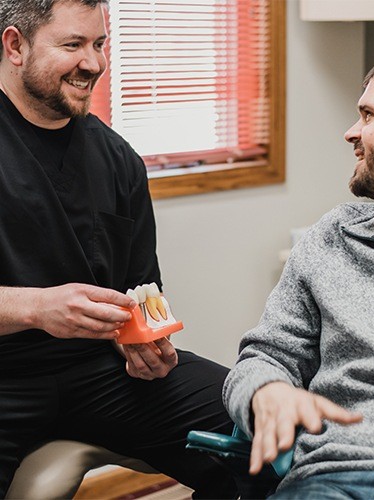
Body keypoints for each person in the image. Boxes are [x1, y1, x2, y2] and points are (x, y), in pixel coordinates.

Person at [0, 0, 237, 498]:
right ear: (14, 45)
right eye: (73, 45)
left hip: (99, 374)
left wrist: (143, 342)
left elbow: (141, 290)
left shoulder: (118, 160)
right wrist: (35, 307)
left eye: (99, 44)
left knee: (258, 428)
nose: (95, 63)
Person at [223, 50, 374, 500]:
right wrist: (266, 392)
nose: (350, 132)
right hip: (328, 480)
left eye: (367, 114)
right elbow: (262, 356)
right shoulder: (331, 239)